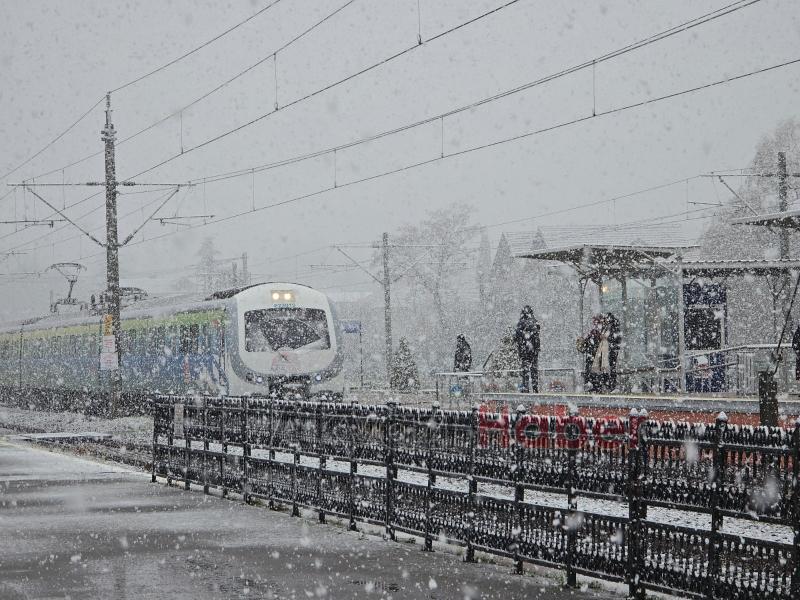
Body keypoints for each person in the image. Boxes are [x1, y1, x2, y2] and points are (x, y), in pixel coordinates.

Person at [514, 305, 540, 393]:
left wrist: (521, 346)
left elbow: (516, 338)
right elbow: (537, 337)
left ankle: (526, 388)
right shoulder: (535, 322)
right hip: (533, 351)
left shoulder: (520, 323)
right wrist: (536, 349)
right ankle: (535, 388)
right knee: (534, 370)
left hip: (524, 350)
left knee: (525, 371)